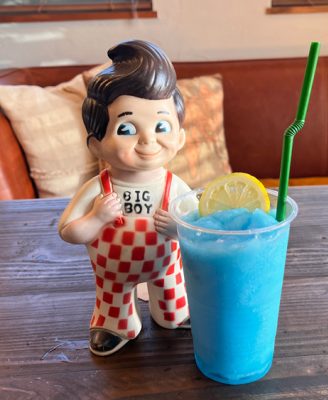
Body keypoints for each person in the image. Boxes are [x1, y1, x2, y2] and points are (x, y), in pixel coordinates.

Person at [58, 40, 190, 356]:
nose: (148, 140)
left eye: (161, 125)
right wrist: (96, 218)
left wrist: (179, 228)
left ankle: (173, 313)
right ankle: (114, 324)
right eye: (127, 129)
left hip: (165, 265)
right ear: (96, 145)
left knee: (172, 296)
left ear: (180, 137)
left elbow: (199, 228)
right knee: (113, 299)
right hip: (113, 274)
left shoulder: (174, 186)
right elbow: (68, 231)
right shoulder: (99, 188)